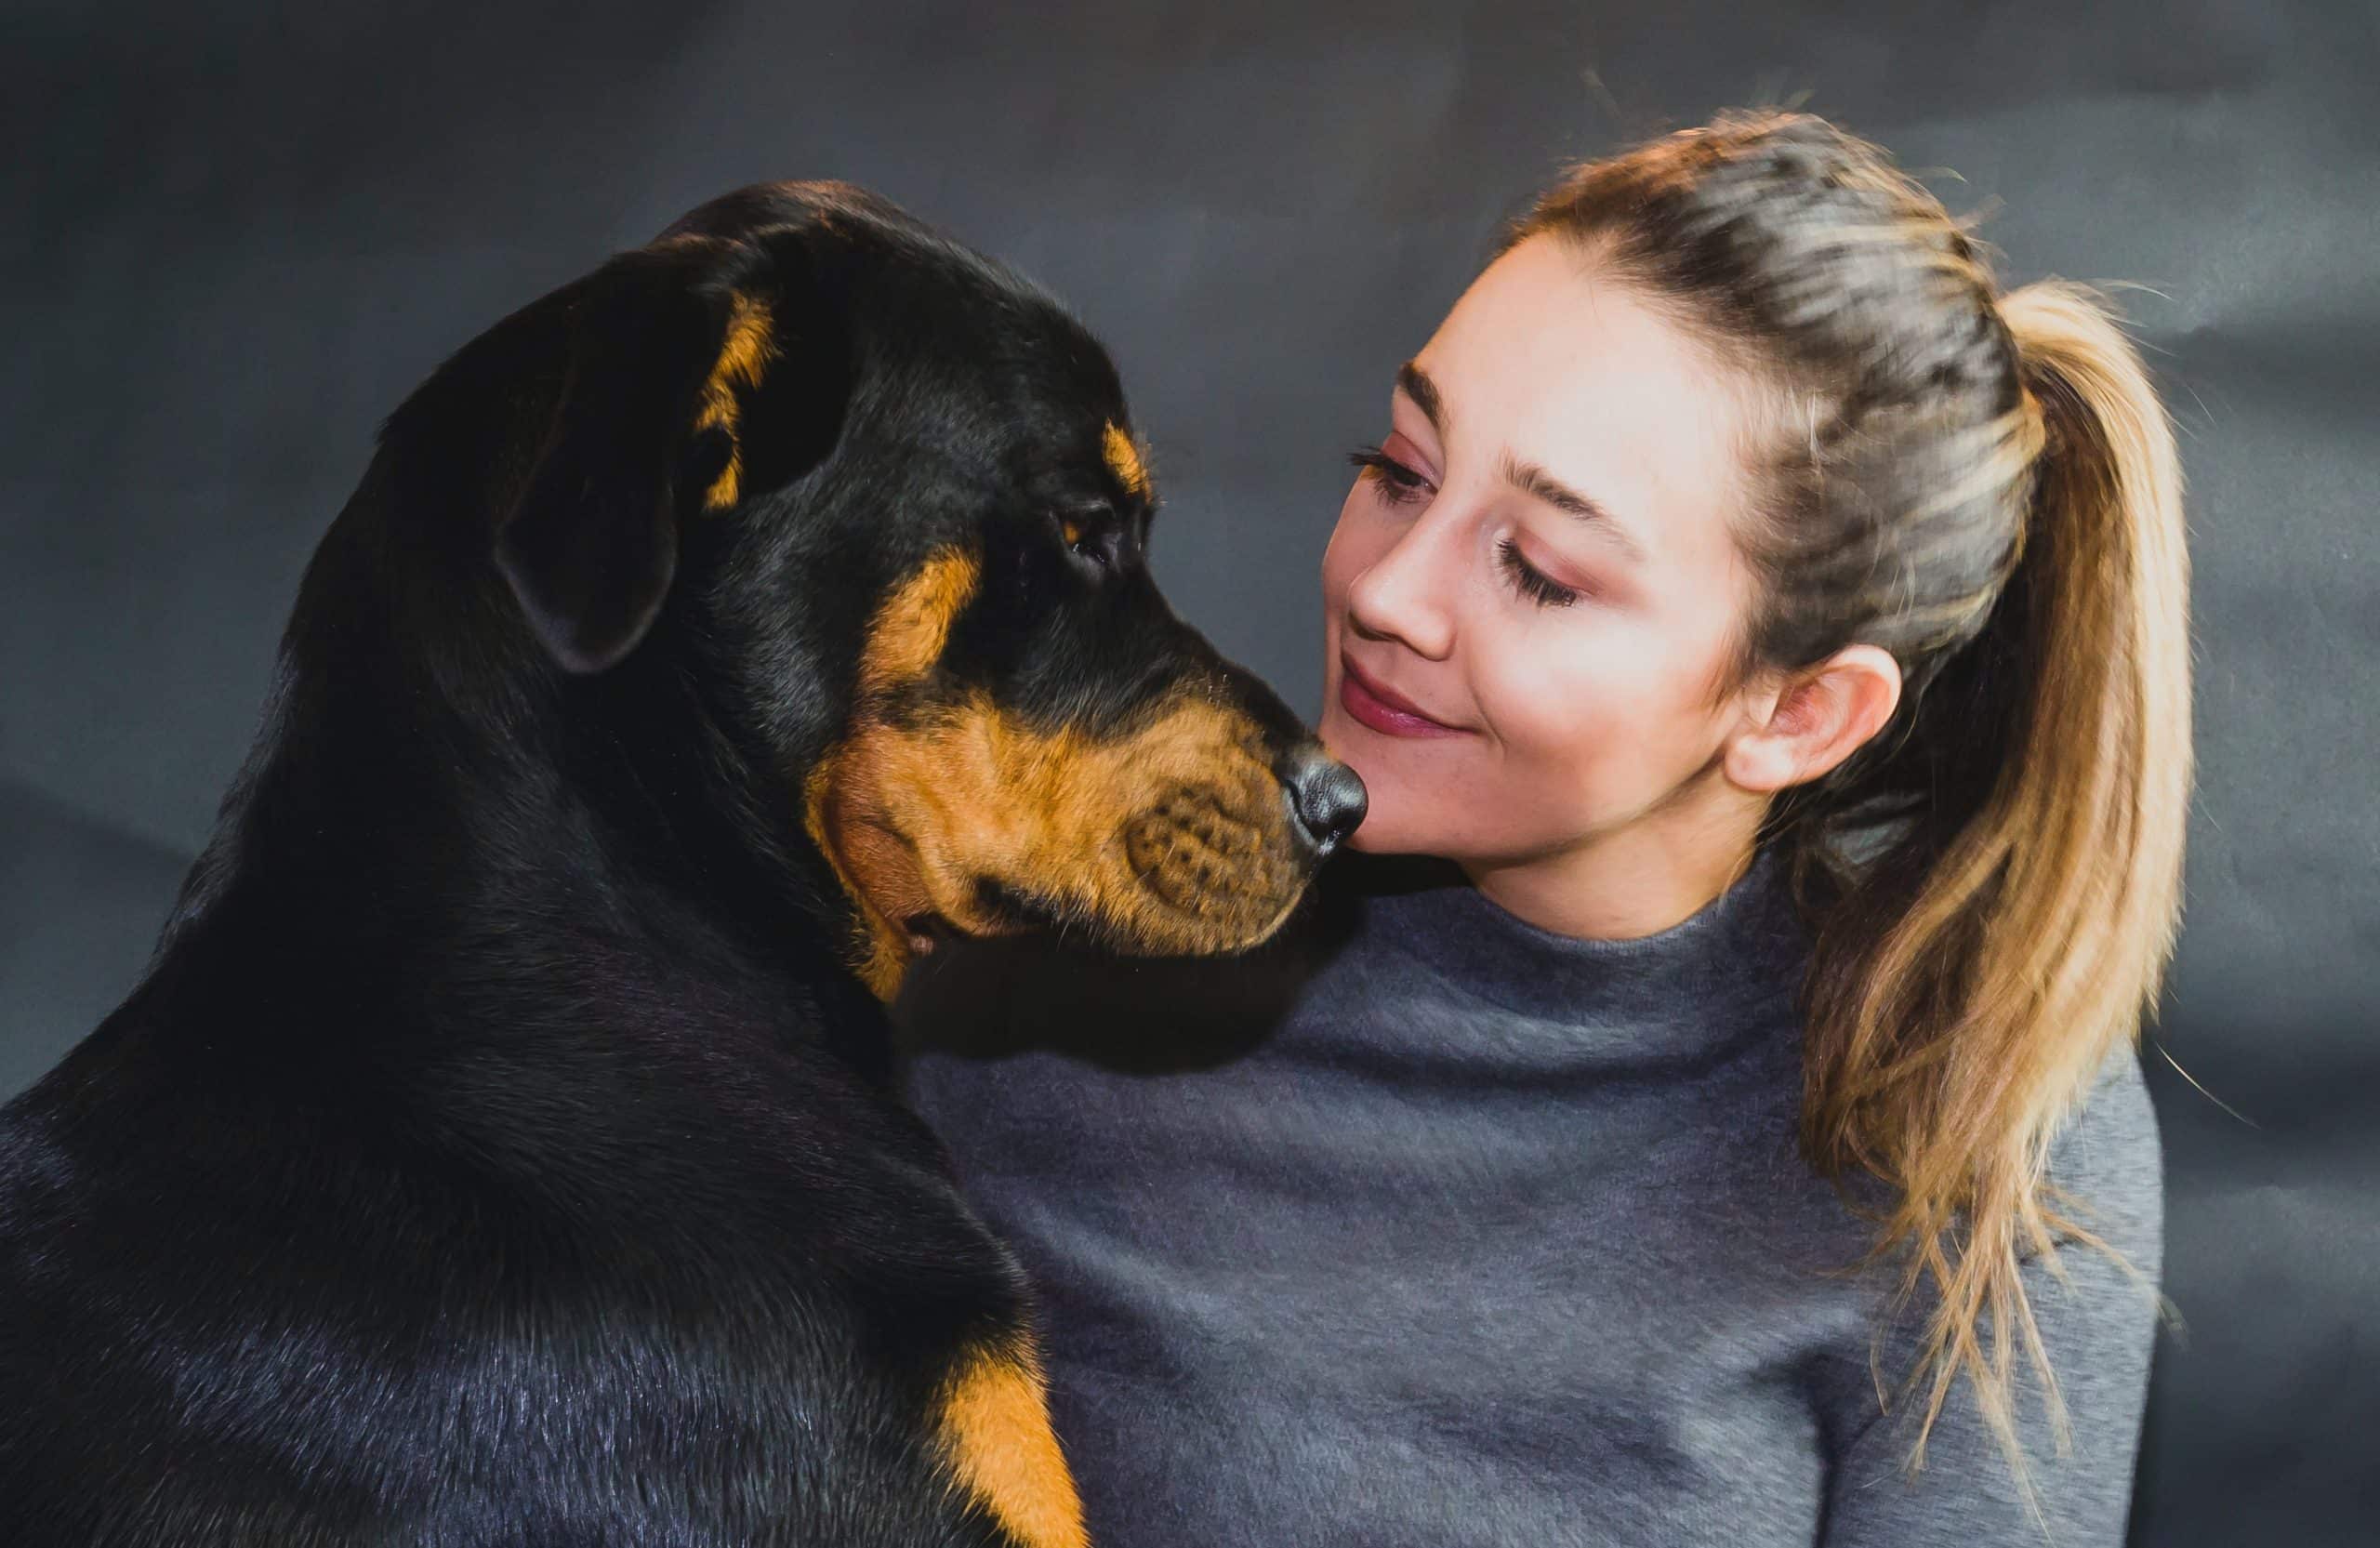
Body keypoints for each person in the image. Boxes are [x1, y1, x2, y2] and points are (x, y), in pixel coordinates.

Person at [893, 109, 2190, 1547]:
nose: (1391, 591)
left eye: (1542, 569)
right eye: (1398, 468)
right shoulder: (1037, 954)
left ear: (1800, 713)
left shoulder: (1985, 1114)